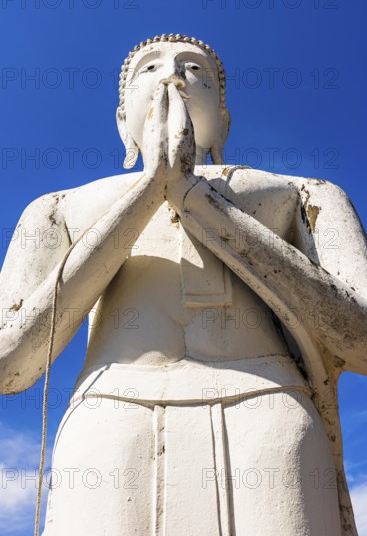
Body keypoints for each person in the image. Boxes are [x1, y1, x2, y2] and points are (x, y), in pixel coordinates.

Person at [0, 33, 366, 535]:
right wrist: (149, 191)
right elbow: (9, 366)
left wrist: (197, 198)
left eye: (196, 68)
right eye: (148, 69)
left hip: (268, 411)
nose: (172, 75)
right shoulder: (58, 208)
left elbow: (361, 341)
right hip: (111, 419)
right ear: (122, 120)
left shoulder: (302, 194)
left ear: (226, 119)